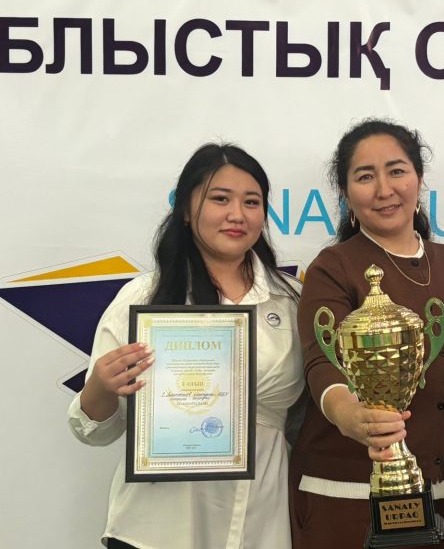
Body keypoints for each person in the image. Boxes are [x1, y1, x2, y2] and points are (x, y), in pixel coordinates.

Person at [67, 143, 303, 549]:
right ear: (187, 210)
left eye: (251, 202)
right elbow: (95, 432)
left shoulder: (292, 301)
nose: (237, 214)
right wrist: (102, 387)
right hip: (158, 526)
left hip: (262, 521)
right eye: (220, 199)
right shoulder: (143, 298)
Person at [289, 119, 444, 548]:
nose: (384, 190)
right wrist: (349, 414)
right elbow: (321, 361)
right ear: (345, 194)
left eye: (396, 171)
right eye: (365, 177)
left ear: (419, 178)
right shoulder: (332, 268)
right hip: (350, 499)